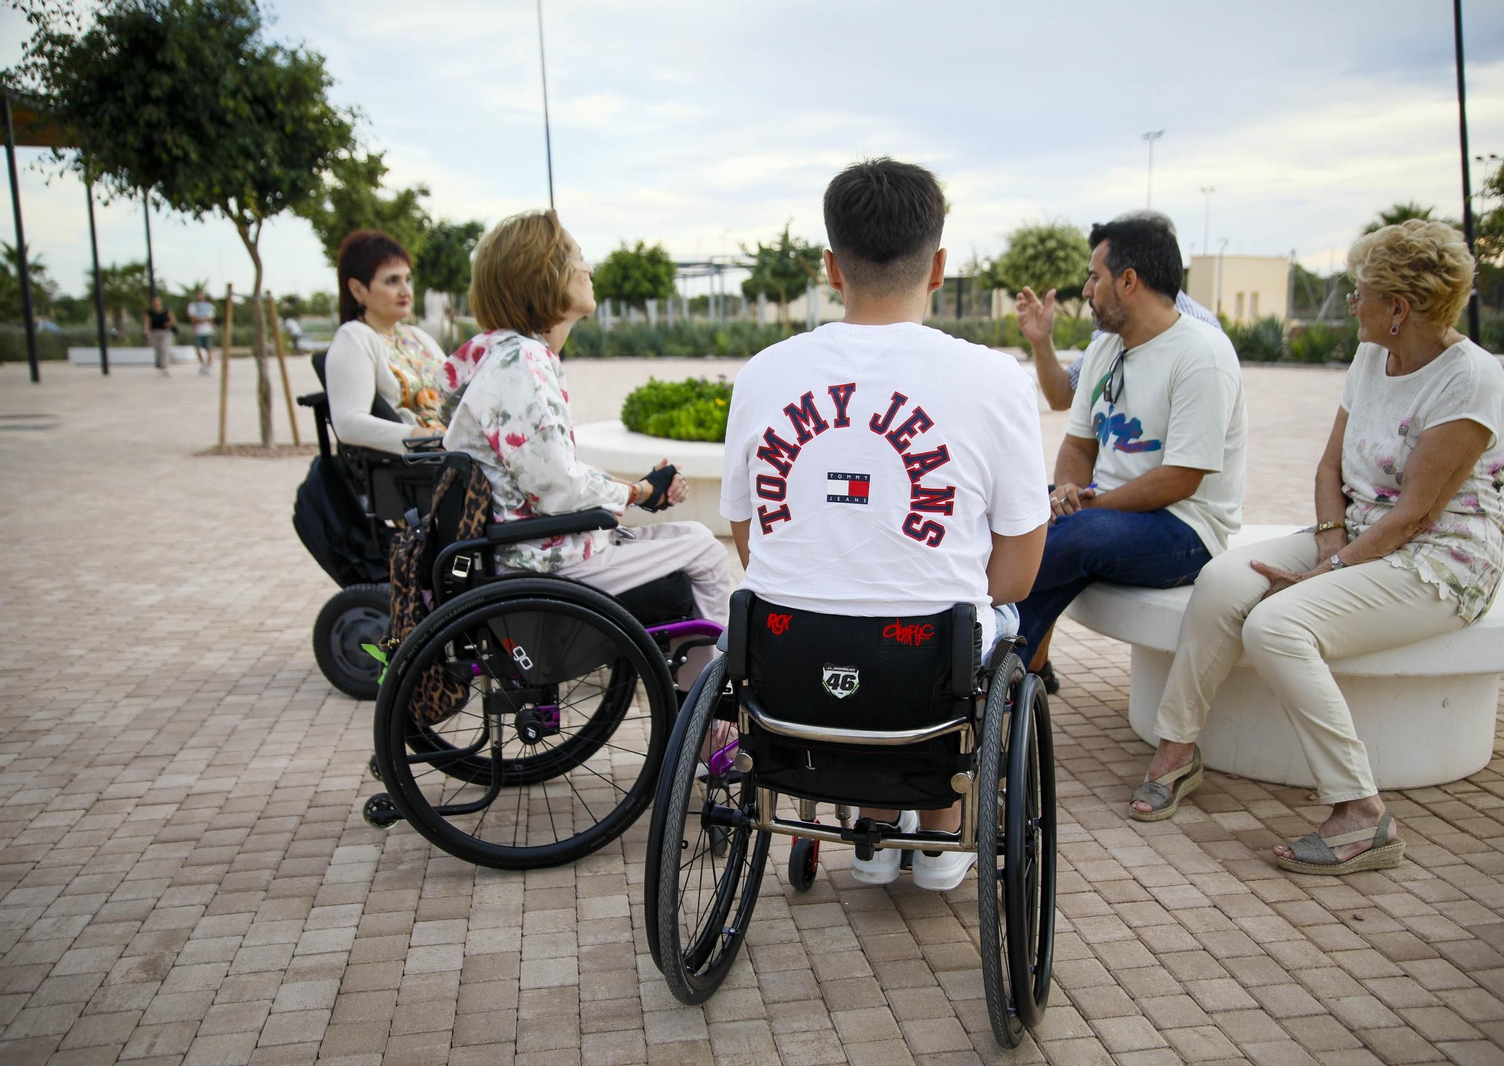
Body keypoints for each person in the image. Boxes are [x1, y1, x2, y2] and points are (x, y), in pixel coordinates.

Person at [1132, 220, 1504, 876]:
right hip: (1360, 530)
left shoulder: (1471, 380)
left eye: (1360, 293)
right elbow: (1328, 467)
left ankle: (1361, 812)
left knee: (1277, 626)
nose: (1351, 303)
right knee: (1222, 582)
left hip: (1441, 557)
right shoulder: (1372, 357)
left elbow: (1417, 514)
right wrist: (1331, 540)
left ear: (1399, 308)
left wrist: (1326, 572)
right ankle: (1177, 750)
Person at [720, 158, 1050, 891]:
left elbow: (753, 544)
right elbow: (1019, 571)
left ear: (831, 267)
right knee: (982, 621)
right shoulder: (997, 380)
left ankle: (871, 826)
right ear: (938, 267)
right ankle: (939, 833)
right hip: (926, 663)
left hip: (786, 658)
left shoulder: (763, 373)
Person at [437, 210, 732, 629]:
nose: (589, 268)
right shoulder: (521, 364)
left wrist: (640, 490)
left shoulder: (503, 355)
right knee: (705, 551)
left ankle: (698, 669)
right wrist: (639, 491)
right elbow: (557, 488)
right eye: (579, 257)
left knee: (693, 540)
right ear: (545, 274)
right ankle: (717, 674)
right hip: (539, 562)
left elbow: (548, 471)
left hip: (532, 548)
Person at [1012, 218, 1248, 693]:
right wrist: (1067, 491)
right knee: (1016, 509)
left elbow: (1180, 479)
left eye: (1093, 277)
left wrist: (1087, 506)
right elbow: (1078, 444)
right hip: (1108, 510)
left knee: (1074, 534)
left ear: (1128, 280)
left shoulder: (1202, 354)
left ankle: (985, 651)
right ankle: (1004, 676)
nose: (1086, 290)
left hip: (1186, 529)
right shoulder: (1106, 349)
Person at [1019, 209, 1223, 412]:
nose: (1087, 291)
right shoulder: (1111, 332)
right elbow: (1063, 396)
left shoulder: (1202, 338)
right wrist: (1041, 341)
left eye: (1096, 277)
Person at [324, 230, 448, 455]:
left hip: (456, 451)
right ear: (358, 290)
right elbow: (349, 424)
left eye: (407, 279)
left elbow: (459, 389)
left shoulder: (417, 337)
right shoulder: (355, 337)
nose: (405, 291)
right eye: (392, 281)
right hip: (425, 463)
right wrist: (424, 437)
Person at [143, 296, 175, 376]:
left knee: (163, 348)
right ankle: (159, 365)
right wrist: (146, 332)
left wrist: (168, 324)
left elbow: (172, 320)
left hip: (165, 332)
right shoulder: (149, 312)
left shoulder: (166, 311)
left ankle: (164, 366)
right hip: (154, 332)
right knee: (158, 349)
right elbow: (147, 322)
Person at [187, 290, 216, 374]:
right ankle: (203, 364)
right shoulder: (193, 306)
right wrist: (202, 319)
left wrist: (200, 319)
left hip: (207, 331)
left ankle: (209, 366)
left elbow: (210, 318)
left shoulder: (209, 306)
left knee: (209, 349)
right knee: (197, 349)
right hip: (198, 331)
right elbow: (192, 318)